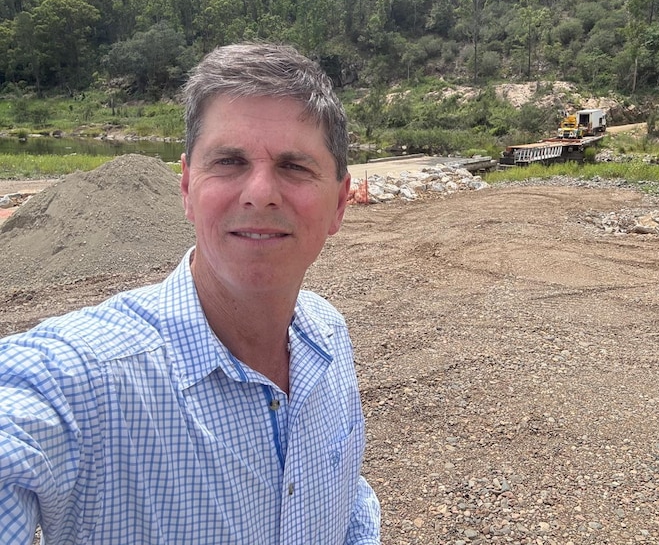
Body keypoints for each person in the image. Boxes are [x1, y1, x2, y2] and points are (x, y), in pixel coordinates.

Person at [0, 43, 381, 544]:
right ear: (185, 188)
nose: (260, 193)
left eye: (294, 167)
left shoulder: (327, 336)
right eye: (229, 161)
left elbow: (348, 501)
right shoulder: (84, 381)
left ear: (339, 204)